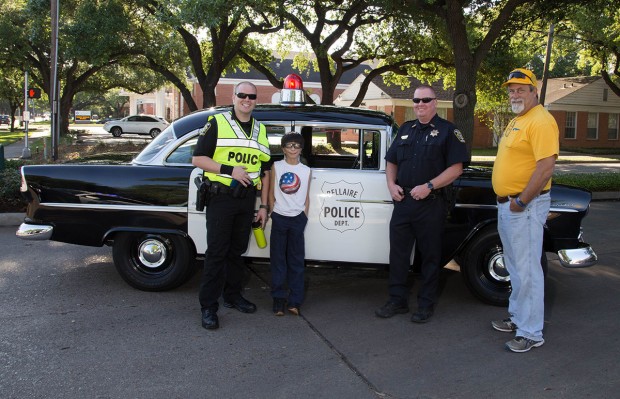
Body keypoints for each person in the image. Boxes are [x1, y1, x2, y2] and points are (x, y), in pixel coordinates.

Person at [376, 85, 469, 323]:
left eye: (425, 100)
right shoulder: (406, 129)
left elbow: (456, 168)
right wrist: (391, 184)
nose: (420, 104)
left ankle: (426, 304)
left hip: (431, 204)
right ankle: (397, 301)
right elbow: (391, 161)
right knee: (397, 255)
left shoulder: (448, 131)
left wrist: (429, 186)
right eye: (416, 100)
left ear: (435, 102)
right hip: (404, 201)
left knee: (429, 256)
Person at [192, 81, 271, 330]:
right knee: (216, 253)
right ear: (233, 96)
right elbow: (198, 158)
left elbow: (265, 170)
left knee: (237, 252)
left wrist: (264, 205)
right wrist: (230, 170)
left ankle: (232, 295)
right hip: (221, 197)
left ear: (256, 100)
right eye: (242, 95)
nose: (247, 99)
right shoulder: (217, 122)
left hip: (246, 199)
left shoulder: (261, 129)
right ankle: (208, 307)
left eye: (252, 96)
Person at [491, 68, 559, 352]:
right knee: (516, 267)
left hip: (524, 207)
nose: (515, 94)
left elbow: (546, 167)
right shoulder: (520, 119)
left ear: (534, 91)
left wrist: (521, 201)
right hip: (509, 204)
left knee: (528, 269)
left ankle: (531, 332)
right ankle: (518, 318)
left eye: (521, 89)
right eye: (511, 90)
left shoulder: (541, 121)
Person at [268, 132, 311, 316]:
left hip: (297, 219)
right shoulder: (276, 166)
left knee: (296, 261)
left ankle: (295, 301)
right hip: (279, 217)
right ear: (283, 148)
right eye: (289, 145)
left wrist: (304, 216)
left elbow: (306, 195)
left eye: (297, 145)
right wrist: (272, 211)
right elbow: (271, 192)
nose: (293, 149)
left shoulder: (306, 170)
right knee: (278, 260)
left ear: (301, 149)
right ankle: (278, 300)